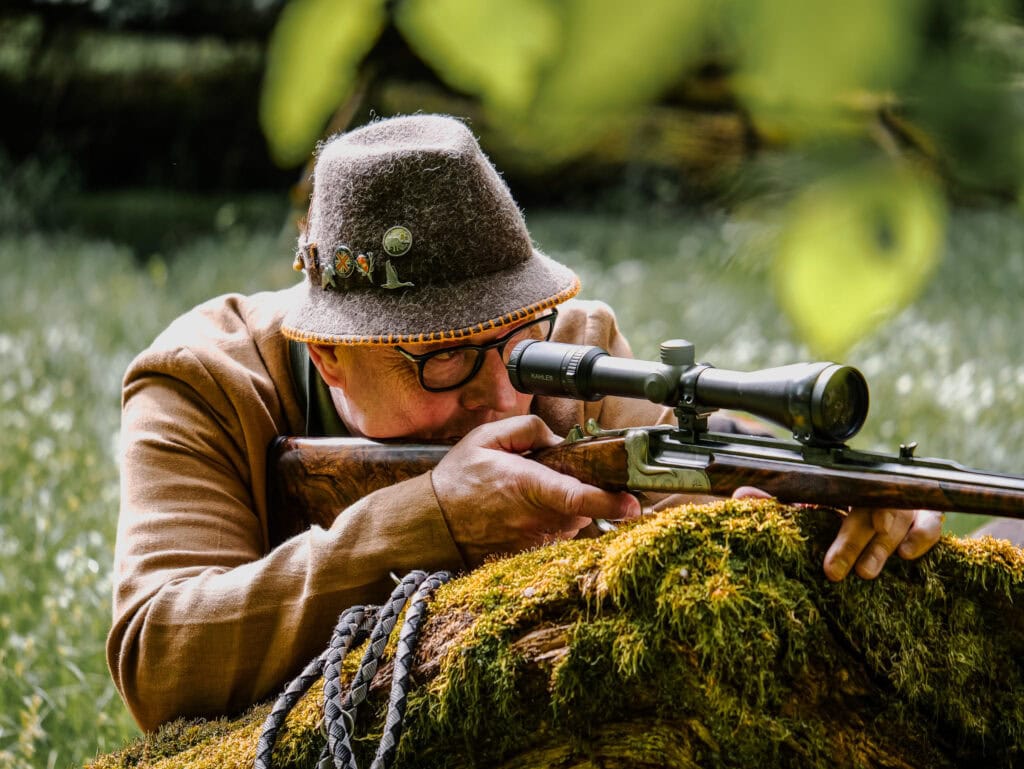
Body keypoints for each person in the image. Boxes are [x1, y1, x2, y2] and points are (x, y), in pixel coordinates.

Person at [109, 114, 943, 732]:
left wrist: (832, 501)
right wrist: (422, 521)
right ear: (329, 352)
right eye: (442, 358)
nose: (502, 396)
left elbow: (702, 494)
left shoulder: (575, 352)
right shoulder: (206, 383)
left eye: (516, 340)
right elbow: (159, 656)